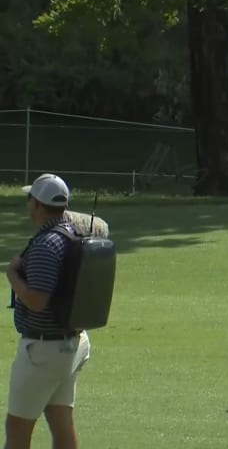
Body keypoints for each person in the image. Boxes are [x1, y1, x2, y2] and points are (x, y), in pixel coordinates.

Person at [5, 173, 91, 449]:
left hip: (44, 350)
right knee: (61, 421)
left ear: (38, 206)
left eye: (30, 199)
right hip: (72, 344)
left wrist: (12, 274)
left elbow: (37, 300)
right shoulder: (73, 233)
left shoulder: (46, 244)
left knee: (17, 427)